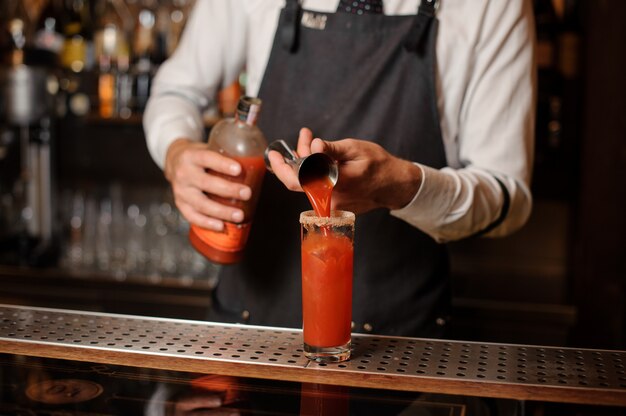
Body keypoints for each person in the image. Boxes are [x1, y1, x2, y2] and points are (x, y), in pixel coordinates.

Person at [143, 0, 535, 338]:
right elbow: (176, 92)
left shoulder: (492, 6)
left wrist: (401, 187)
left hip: (402, 348)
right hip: (248, 331)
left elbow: (507, 197)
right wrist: (177, 152)